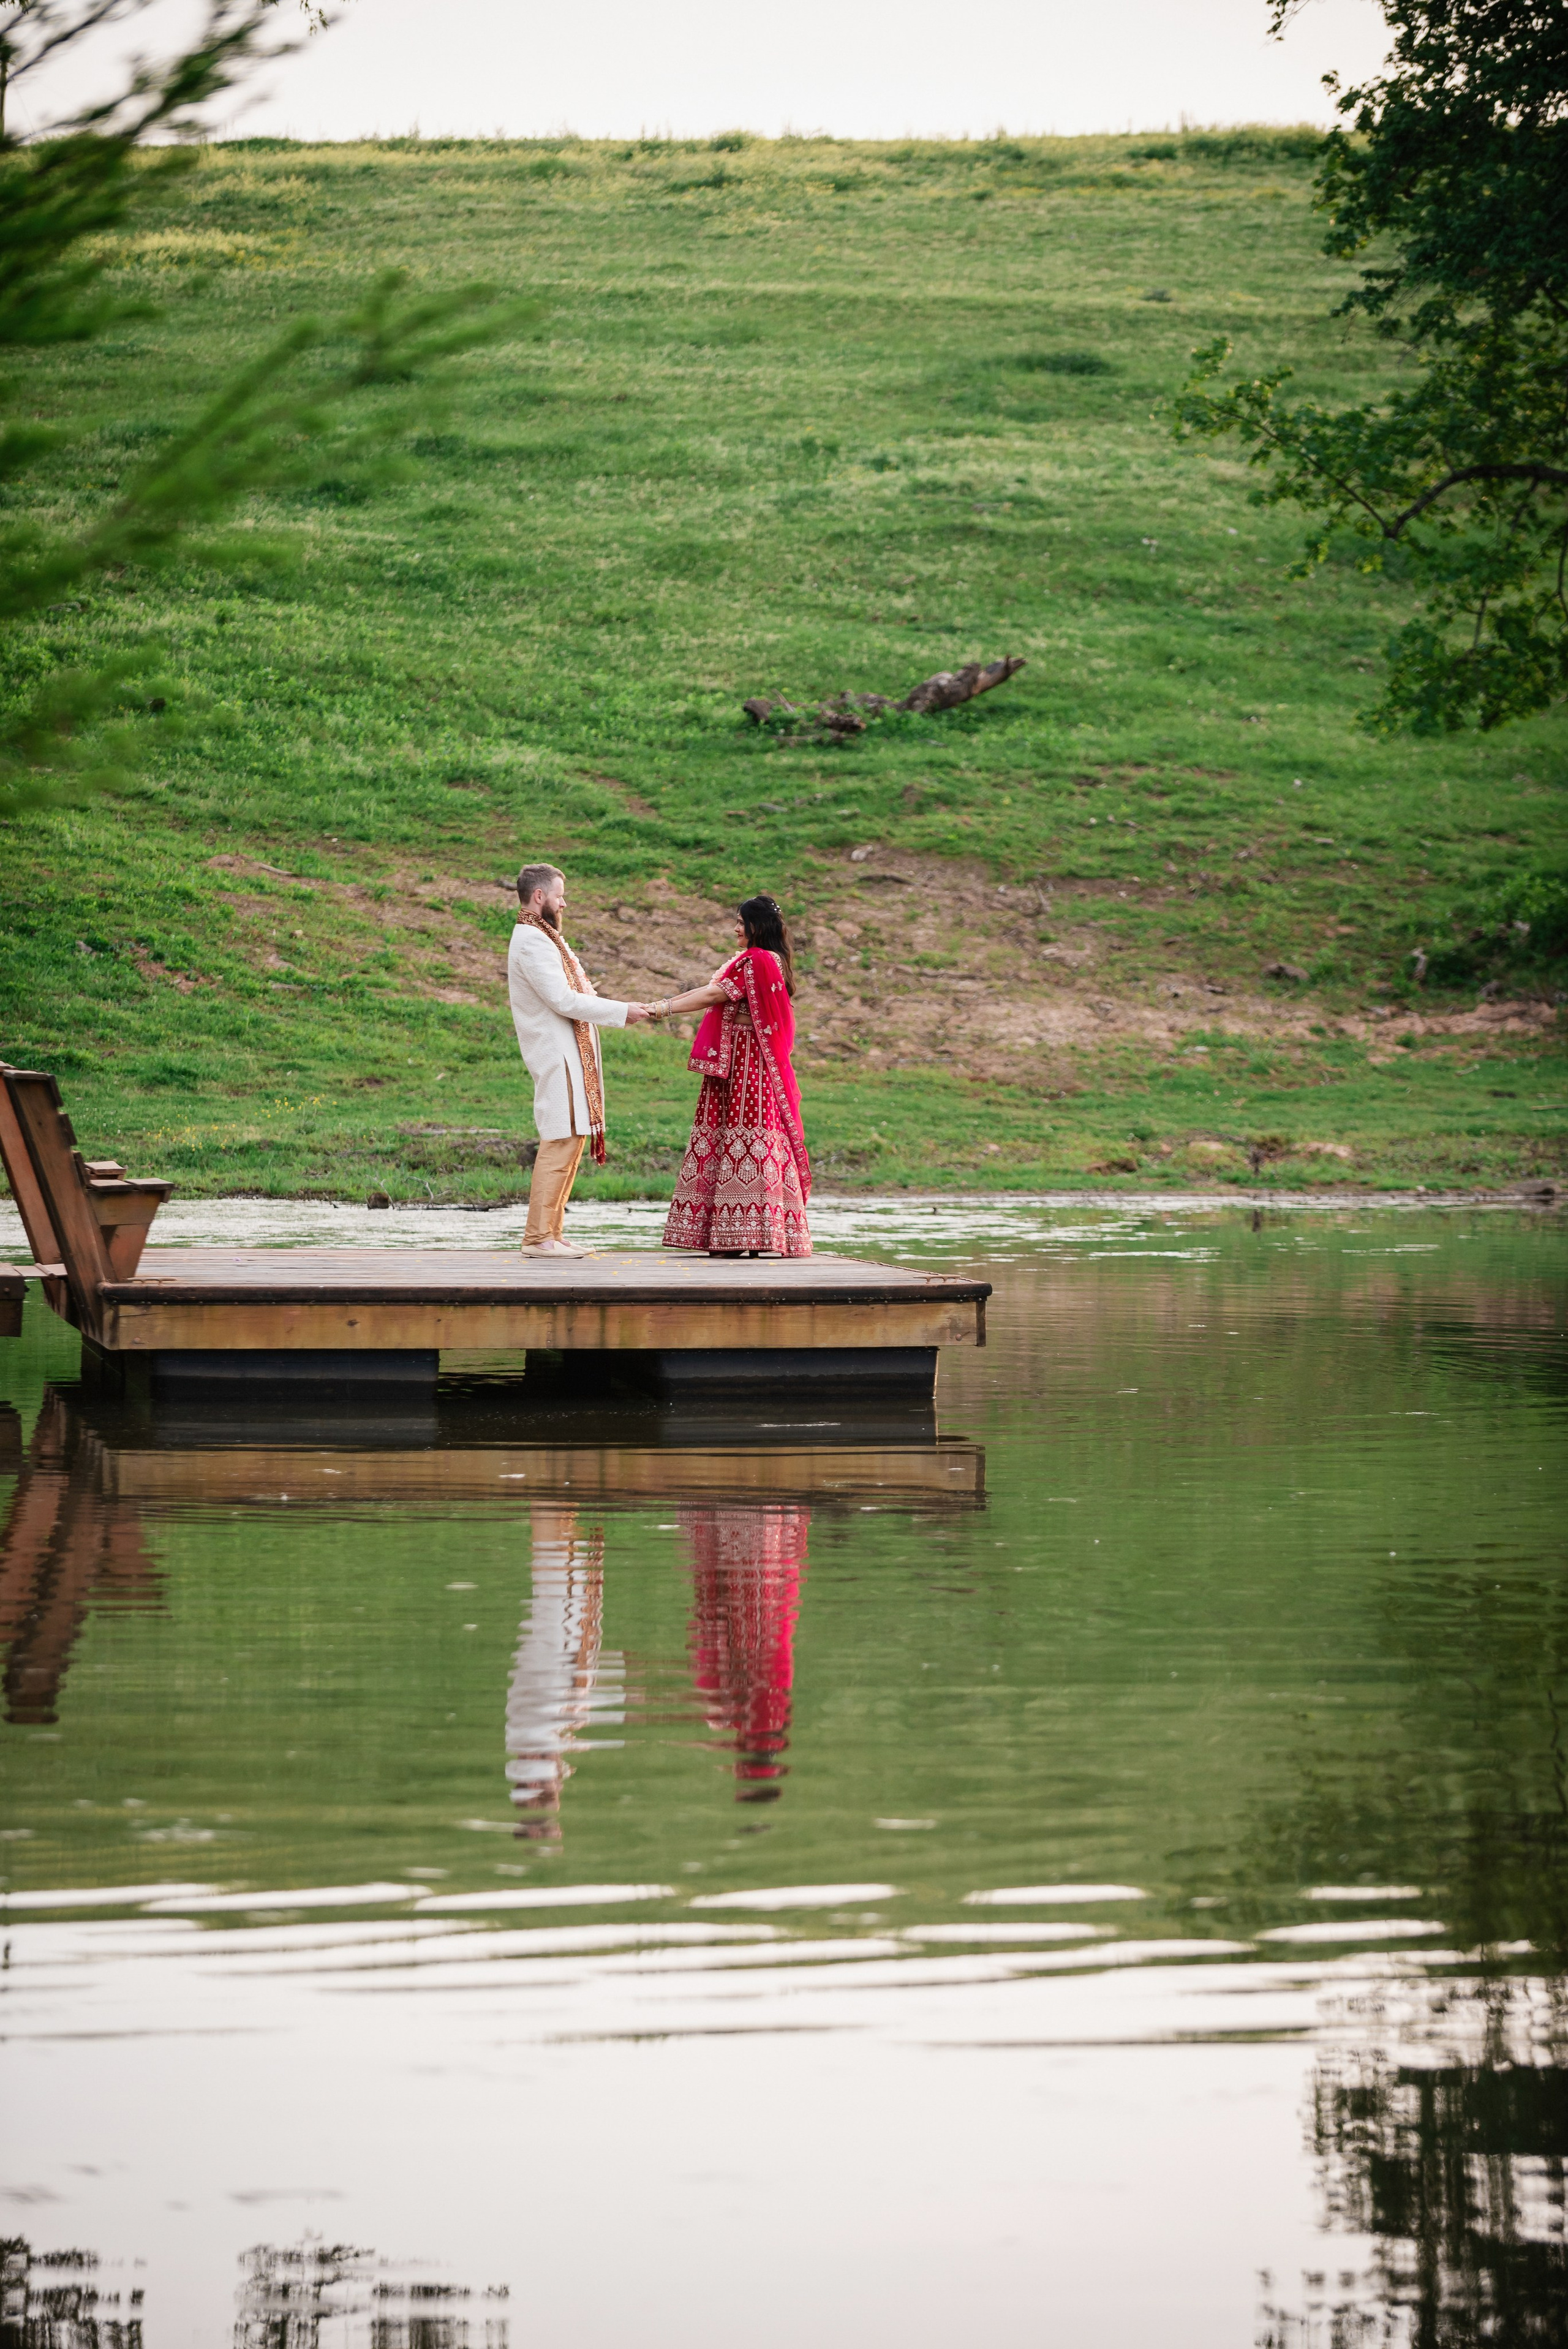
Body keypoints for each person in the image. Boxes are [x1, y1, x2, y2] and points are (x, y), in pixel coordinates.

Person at [650, 893, 812, 1257]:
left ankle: (742, 1236)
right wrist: (662, 1006)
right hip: (748, 1061)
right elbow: (712, 994)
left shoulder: (755, 960)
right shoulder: (771, 960)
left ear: (757, 927)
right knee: (744, 1135)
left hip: (746, 1063)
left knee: (742, 1134)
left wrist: (658, 1009)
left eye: (741, 922)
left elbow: (711, 996)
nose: (735, 928)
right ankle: (751, 1236)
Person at [508, 862, 652, 1257]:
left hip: (567, 1050)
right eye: (559, 895)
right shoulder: (533, 940)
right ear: (540, 897)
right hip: (555, 1052)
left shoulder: (544, 937)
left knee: (571, 1138)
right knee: (560, 1138)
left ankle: (551, 1233)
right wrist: (623, 1011)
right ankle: (538, 1239)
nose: (564, 903)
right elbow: (562, 1000)